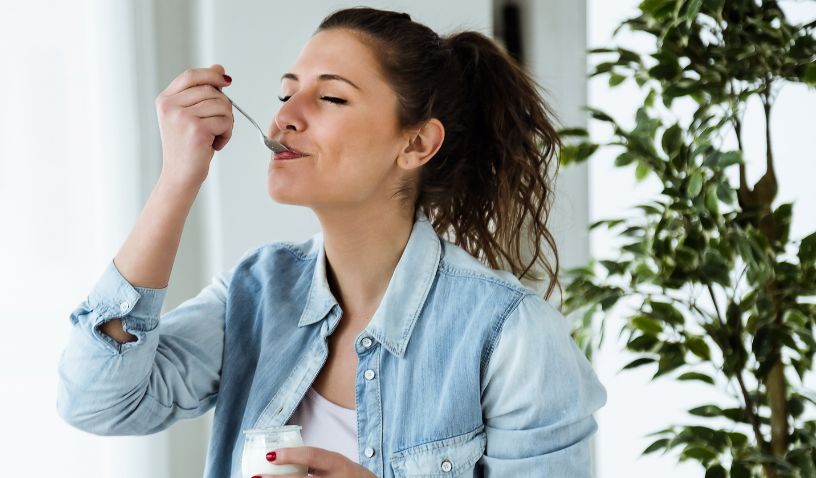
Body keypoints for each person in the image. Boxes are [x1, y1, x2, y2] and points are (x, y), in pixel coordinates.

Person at [57, 7, 606, 478]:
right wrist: (178, 178)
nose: (285, 117)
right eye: (285, 92)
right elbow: (99, 402)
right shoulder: (255, 296)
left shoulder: (510, 333)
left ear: (416, 143)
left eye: (331, 99)